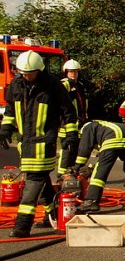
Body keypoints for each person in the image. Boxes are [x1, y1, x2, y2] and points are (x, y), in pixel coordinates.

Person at [0, 51, 78, 238]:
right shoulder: (16, 86)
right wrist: (5, 129)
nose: (26, 76)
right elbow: (10, 110)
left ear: (39, 71)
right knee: (42, 181)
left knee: (33, 182)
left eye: (30, 73)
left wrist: (71, 134)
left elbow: (68, 112)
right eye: (23, 73)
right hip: (25, 143)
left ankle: (23, 225)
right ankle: (52, 213)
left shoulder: (52, 86)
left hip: (44, 142)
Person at [73, 120, 125, 213]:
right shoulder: (104, 126)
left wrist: (77, 167)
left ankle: (91, 201)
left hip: (114, 138)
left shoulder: (88, 127)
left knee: (101, 170)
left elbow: (84, 149)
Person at [58, 59, 88, 175]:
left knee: (76, 149)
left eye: (75, 72)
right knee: (67, 150)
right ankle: (61, 174)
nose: (73, 74)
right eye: (71, 72)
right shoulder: (64, 85)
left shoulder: (80, 85)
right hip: (66, 124)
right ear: (66, 72)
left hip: (79, 123)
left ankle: (71, 173)